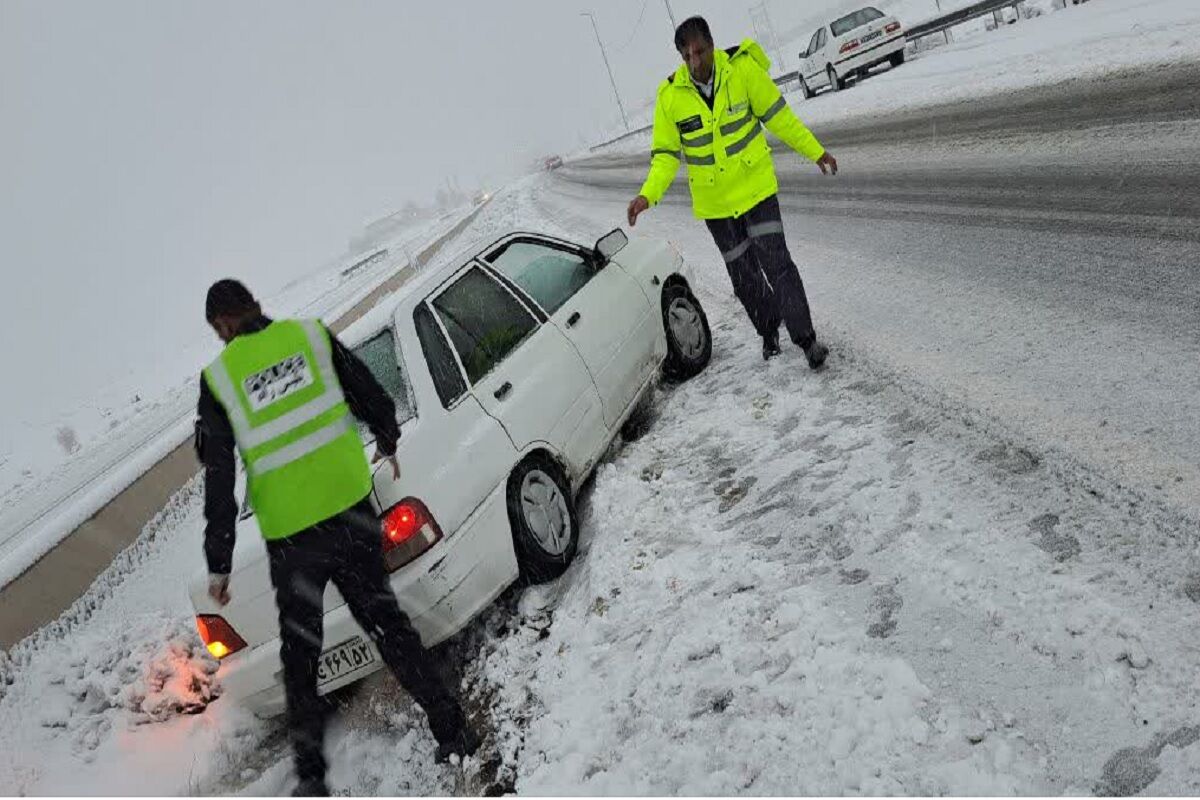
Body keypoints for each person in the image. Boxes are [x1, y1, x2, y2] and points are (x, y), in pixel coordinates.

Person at [195, 279, 478, 796]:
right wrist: (387, 439)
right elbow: (369, 392)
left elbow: (218, 475)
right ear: (255, 305)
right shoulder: (310, 336)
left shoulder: (219, 380)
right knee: (389, 628)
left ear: (223, 324)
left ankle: (312, 784)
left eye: (219, 331)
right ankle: (452, 729)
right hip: (350, 516)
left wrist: (220, 562)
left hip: (294, 542)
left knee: (301, 662)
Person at [627, 16, 838, 368]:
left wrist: (816, 152)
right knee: (745, 279)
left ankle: (807, 341)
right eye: (687, 56)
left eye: (700, 52)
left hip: (756, 192)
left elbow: (781, 118)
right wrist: (647, 196)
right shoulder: (670, 97)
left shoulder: (742, 71)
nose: (695, 62)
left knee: (779, 266)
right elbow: (665, 158)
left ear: (712, 45)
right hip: (717, 207)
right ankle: (769, 332)